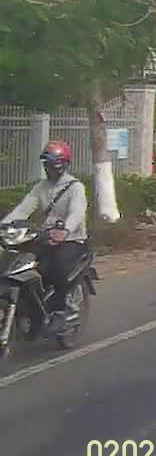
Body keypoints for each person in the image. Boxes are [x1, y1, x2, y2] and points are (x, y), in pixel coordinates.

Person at [1, 140, 89, 332]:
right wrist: (5, 225)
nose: (49, 168)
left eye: (54, 164)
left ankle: (61, 309)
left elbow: (77, 213)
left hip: (71, 240)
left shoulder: (75, 187)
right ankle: (31, 305)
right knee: (20, 261)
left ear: (64, 164)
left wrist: (65, 230)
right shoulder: (41, 187)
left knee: (56, 266)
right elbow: (23, 209)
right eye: (46, 164)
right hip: (43, 237)